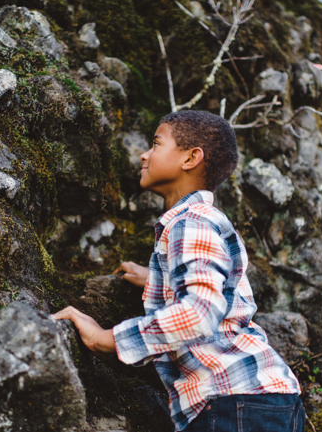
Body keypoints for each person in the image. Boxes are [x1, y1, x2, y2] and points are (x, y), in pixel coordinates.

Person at [54, 110, 303, 432]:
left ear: (191, 158)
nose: (144, 154)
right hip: (259, 398)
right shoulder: (203, 221)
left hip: (234, 400)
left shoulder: (191, 222)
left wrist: (106, 339)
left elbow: (200, 312)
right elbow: (225, 294)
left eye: (156, 143)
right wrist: (160, 280)